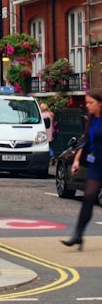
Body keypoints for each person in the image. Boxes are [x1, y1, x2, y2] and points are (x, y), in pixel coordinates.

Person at [63, 89, 102, 250]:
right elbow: (85, 140)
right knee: (88, 198)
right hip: (96, 165)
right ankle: (78, 235)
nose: (88, 106)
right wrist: (77, 160)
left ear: (100, 103)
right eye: (86, 102)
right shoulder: (91, 120)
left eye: (90, 103)